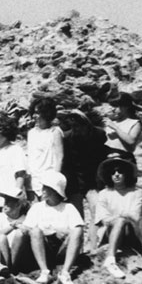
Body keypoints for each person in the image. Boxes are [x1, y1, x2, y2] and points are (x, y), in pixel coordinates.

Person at [95, 153, 142, 277]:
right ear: (108, 176)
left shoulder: (136, 193)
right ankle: (110, 260)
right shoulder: (104, 194)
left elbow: (136, 215)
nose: (116, 174)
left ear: (126, 174)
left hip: (132, 231)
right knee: (120, 221)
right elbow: (104, 219)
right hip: (111, 231)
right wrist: (122, 217)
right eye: (113, 172)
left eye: (120, 171)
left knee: (137, 219)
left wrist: (121, 216)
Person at [57, 108, 109, 252]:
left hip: (92, 181)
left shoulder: (99, 134)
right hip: (74, 182)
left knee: (96, 210)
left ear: (86, 123)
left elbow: (102, 156)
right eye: (73, 124)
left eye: (79, 124)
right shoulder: (67, 138)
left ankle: (92, 246)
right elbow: (65, 163)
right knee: (76, 217)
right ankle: (78, 250)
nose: (77, 128)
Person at [23, 170, 83, 284]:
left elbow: (78, 230)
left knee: (77, 231)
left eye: (46, 187)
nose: (42, 190)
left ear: (55, 190)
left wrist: (62, 231)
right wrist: (46, 231)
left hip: (62, 249)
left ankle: (65, 273)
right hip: (44, 248)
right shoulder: (37, 208)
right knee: (35, 231)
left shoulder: (68, 208)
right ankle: (44, 271)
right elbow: (27, 228)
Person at [0, 115, 27, 215]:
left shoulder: (15, 150)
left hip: (10, 205)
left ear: (5, 132)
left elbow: (20, 175)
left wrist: (14, 199)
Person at [25, 98, 64, 199]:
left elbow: (59, 157)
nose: (35, 116)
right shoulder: (31, 133)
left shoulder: (55, 132)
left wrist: (55, 180)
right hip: (34, 181)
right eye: (33, 112)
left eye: (38, 113)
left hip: (48, 179)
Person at [0, 184, 31, 273]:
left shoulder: (27, 219)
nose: (5, 204)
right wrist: (12, 226)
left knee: (20, 234)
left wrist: (21, 226)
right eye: (5, 201)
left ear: (18, 204)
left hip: (21, 257)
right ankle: (7, 269)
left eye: (9, 201)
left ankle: (14, 269)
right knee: (1, 238)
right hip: (3, 254)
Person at [104, 93, 142, 161]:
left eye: (116, 106)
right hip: (108, 159)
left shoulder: (134, 123)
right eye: (112, 106)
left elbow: (131, 141)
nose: (113, 109)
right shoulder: (111, 122)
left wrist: (115, 128)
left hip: (124, 159)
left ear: (126, 106)